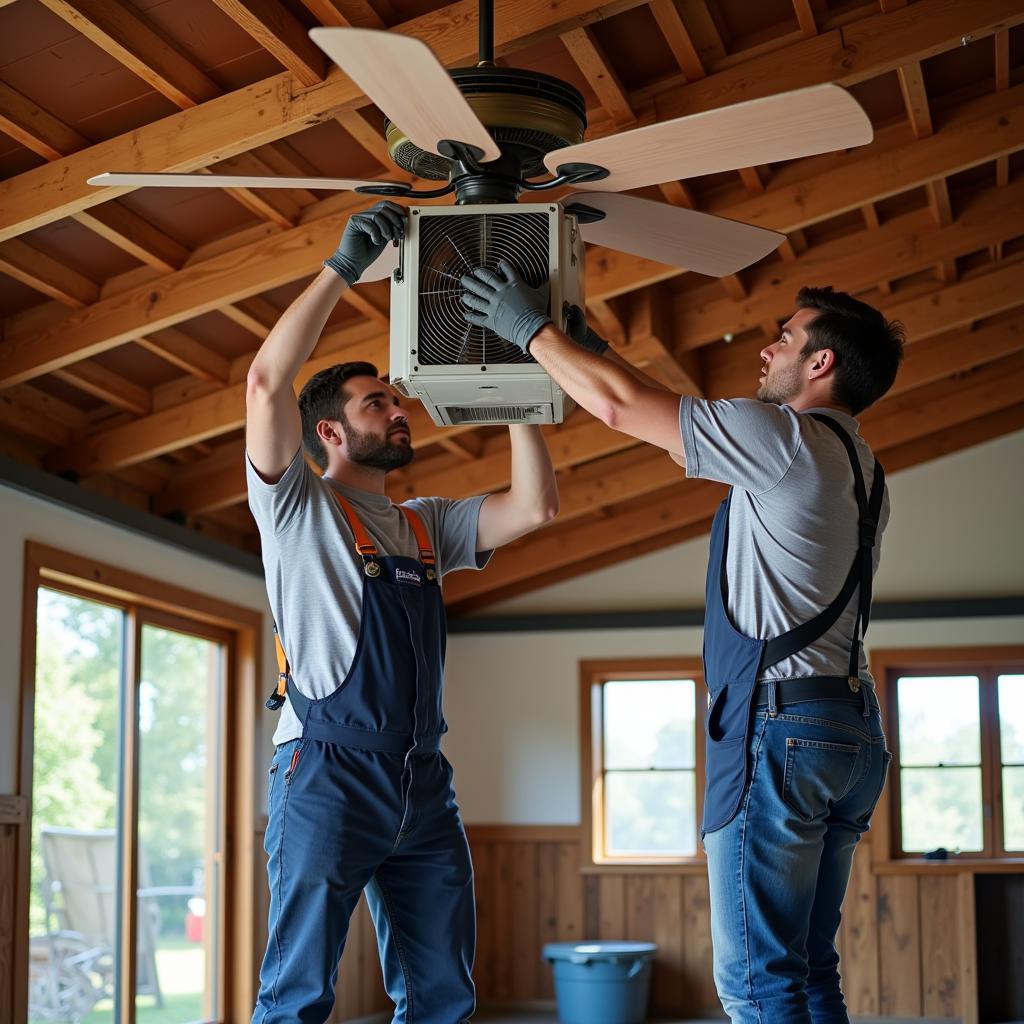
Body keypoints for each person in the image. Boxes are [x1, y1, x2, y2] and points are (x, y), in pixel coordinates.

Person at [460, 261, 905, 1023]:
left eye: (785, 339)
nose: (768, 351)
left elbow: (615, 407)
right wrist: (590, 344)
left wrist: (525, 329)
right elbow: (669, 428)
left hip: (783, 732)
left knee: (758, 986)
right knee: (806, 966)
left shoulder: (783, 438)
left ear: (820, 363)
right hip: (848, 731)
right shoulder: (861, 466)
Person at [246, 205, 559, 1024]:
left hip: (423, 781)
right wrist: (342, 266)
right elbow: (264, 382)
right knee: (297, 994)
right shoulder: (295, 508)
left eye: (395, 399)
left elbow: (535, 508)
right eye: (377, 402)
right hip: (325, 773)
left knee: (442, 996)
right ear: (329, 432)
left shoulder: (424, 522)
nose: (398, 409)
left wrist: (526, 382)